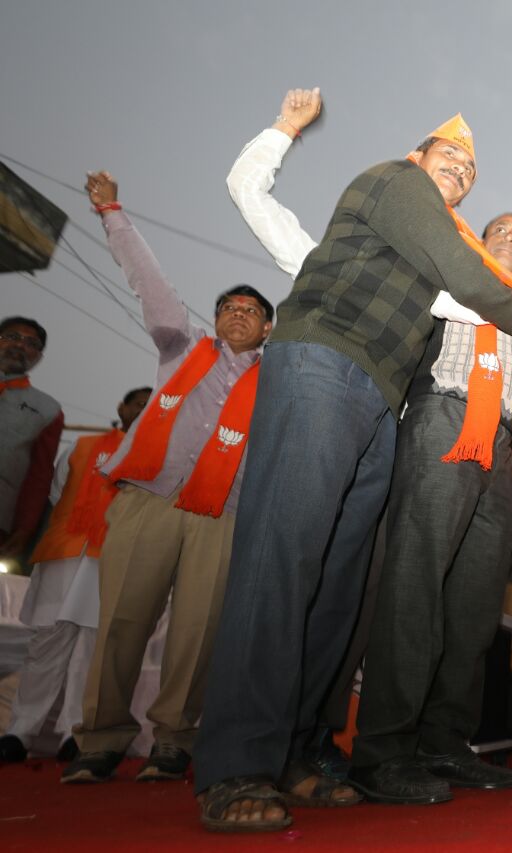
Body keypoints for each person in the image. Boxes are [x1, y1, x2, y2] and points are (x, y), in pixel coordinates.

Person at [193, 100, 512, 831]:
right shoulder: (393, 182)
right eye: (447, 161)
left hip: (380, 403)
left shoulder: (423, 262)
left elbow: (458, 289)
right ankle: (236, 762)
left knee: (338, 588)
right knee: (282, 558)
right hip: (323, 366)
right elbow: (467, 273)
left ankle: (299, 749)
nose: (457, 173)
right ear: (416, 158)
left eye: (469, 171)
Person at [60, 172, 273, 788]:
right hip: (148, 504)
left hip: (221, 515)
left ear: (266, 330)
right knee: (123, 622)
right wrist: (112, 214)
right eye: (229, 307)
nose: (239, 315)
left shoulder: (278, 380)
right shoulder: (181, 349)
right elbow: (149, 283)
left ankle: (175, 740)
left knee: (197, 633)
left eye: (253, 311)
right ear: (213, 320)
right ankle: (99, 740)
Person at [0, 387, 149, 763]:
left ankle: (74, 733)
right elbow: (55, 493)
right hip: (65, 554)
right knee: (46, 645)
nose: (144, 409)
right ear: (121, 407)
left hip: (111, 561)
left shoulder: (160, 455)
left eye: (152, 404)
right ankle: (19, 732)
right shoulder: (82, 446)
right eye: (138, 402)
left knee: (91, 650)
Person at [0, 316, 63, 562]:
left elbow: (39, 475)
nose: (20, 346)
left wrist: (25, 529)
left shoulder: (48, 410)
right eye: (12, 337)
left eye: (32, 344)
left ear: (38, 358)